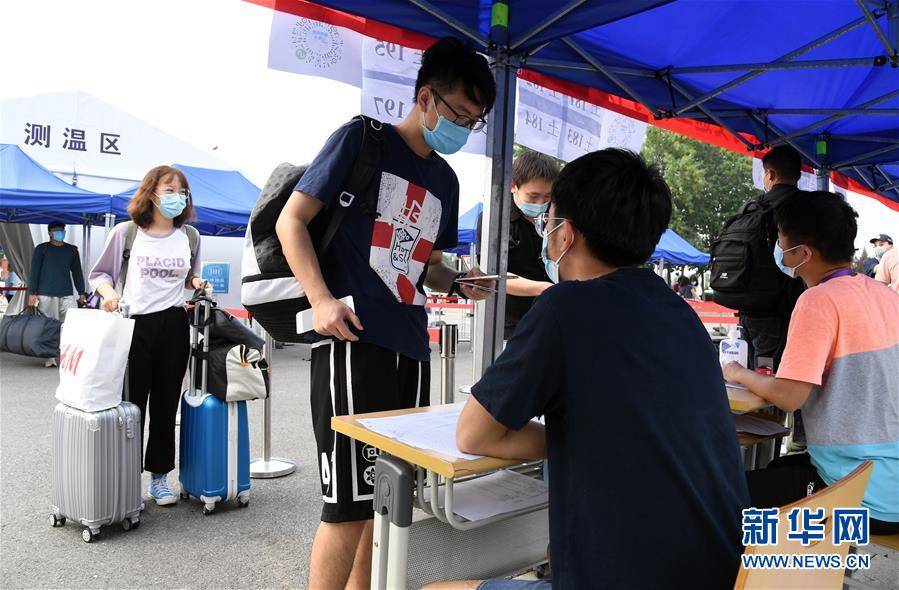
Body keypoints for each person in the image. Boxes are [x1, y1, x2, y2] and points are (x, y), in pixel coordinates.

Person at [432, 149, 749, 590]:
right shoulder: (680, 314)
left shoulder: (566, 308)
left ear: (565, 235)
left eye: (550, 219)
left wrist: (571, 438)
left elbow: (475, 435)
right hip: (722, 571)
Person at [276, 36, 497, 590]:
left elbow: (425, 266)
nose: (465, 128)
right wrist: (321, 300)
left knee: (386, 503)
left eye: (475, 121)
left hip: (411, 346)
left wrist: (461, 282)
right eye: (460, 113)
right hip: (352, 340)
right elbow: (291, 222)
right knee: (346, 506)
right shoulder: (361, 140)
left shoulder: (444, 179)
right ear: (426, 97)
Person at [724, 191, 899, 535]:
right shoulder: (884, 295)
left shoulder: (817, 301)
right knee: (779, 467)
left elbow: (790, 397)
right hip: (888, 480)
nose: (779, 252)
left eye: (781, 243)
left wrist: (737, 373)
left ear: (802, 253)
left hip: (866, 496)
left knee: (725, 497)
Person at [89, 165, 207, 507]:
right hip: (134, 324)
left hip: (173, 324)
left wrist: (195, 283)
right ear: (151, 193)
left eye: (181, 191)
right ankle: (125, 481)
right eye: (169, 190)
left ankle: (158, 479)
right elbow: (99, 275)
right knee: (131, 405)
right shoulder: (127, 233)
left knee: (166, 404)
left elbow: (189, 278)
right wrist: (109, 295)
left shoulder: (190, 237)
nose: (176, 197)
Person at [476, 150, 558, 338]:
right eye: (533, 196)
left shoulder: (556, 218)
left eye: (547, 197)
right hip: (509, 326)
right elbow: (494, 275)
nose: (540, 203)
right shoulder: (494, 219)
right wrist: (543, 288)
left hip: (551, 320)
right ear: (513, 186)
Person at [738, 145, 805, 370]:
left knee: (754, 379)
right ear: (798, 174)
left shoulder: (752, 207)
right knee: (776, 377)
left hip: (748, 308)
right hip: (784, 308)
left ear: (771, 174)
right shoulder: (807, 208)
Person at [27, 221, 87, 366]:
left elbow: (77, 272)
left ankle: (67, 355)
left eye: (62, 230)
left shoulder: (72, 250)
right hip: (45, 294)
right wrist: (32, 293)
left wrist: (81, 292)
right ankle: (50, 356)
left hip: (67, 293)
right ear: (50, 233)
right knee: (49, 326)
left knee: (70, 325)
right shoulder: (42, 249)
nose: (60, 233)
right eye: (57, 231)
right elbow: (34, 272)